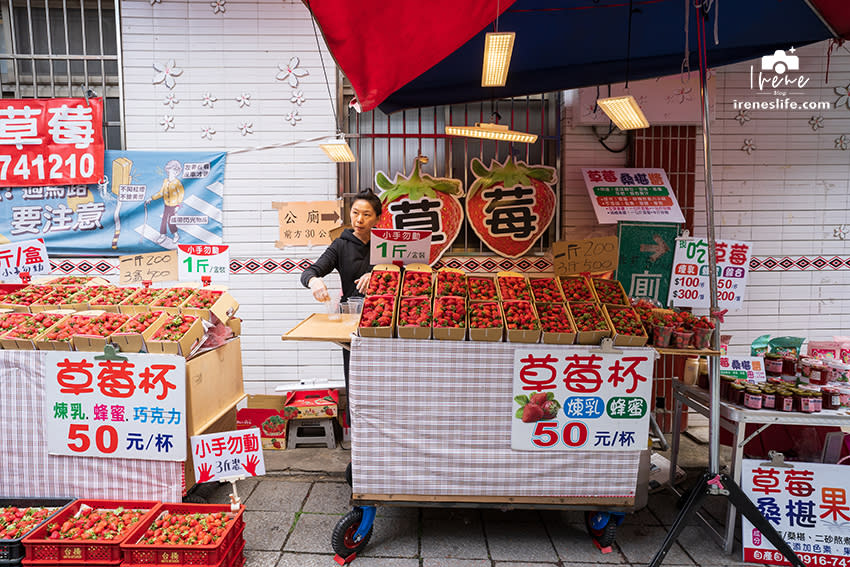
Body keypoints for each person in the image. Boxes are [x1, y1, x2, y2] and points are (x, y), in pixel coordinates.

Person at [300, 189, 382, 416]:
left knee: (383, 379)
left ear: (377, 218)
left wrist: (380, 273)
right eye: (355, 213)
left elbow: (404, 273)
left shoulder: (386, 243)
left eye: (367, 214)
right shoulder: (340, 245)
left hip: (386, 320)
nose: (359, 219)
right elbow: (310, 271)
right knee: (355, 377)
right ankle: (357, 432)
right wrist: (314, 281)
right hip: (352, 320)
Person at [146, 160, 185, 245]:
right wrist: (151, 198)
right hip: (166, 205)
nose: (170, 172)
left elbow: (181, 195)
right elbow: (161, 192)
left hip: (173, 206)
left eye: (172, 170)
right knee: (164, 220)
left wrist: (178, 205)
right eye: (169, 170)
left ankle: (175, 235)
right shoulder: (165, 181)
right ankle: (162, 235)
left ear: (176, 172)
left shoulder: (177, 183)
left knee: (170, 221)